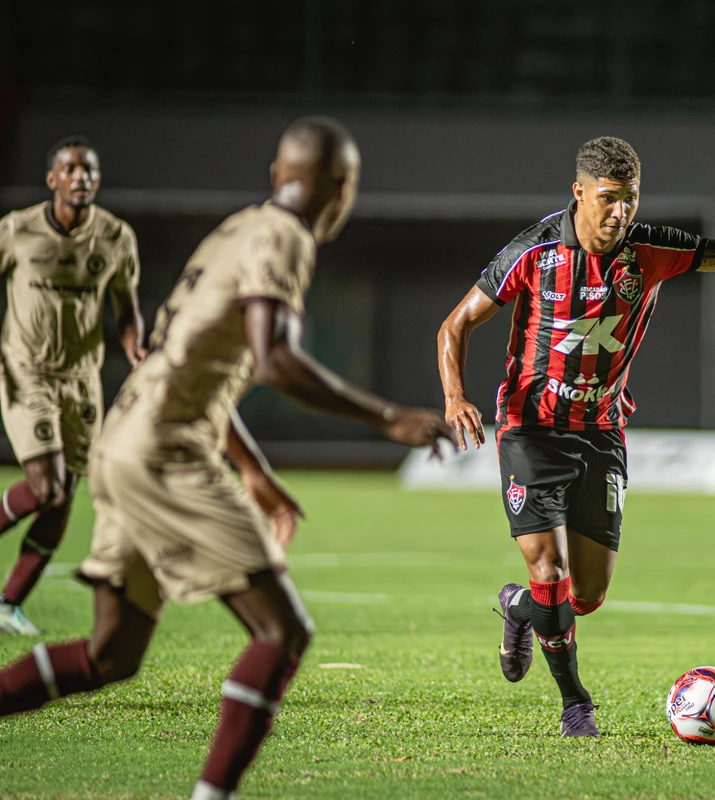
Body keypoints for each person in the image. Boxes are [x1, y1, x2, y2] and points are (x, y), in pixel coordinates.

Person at [0, 117, 454, 800]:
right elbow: (273, 358)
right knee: (282, 631)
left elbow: (198, 362)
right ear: (343, 188)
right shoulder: (284, 237)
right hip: (164, 450)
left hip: (123, 439)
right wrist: (388, 417)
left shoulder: (235, 230)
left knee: (109, 655)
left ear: (277, 175)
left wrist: (256, 473)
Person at [437, 136, 715, 737]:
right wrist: (455, 396)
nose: (620, 213)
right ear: (580, 193)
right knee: (548, 566)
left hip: (602, 433)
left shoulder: (650, 250)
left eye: (631, 201)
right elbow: (456, 323)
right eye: (609, 199)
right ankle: (576, 704)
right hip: (530, 429)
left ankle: (518, 607)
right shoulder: (534, 252)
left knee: (585, 596)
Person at [0, 136, 146, 634]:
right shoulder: (17, 230)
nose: (82, 178)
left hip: (82, 382)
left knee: (63, 498)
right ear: (53, 179)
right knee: (46, 486)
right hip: (26, 371)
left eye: (90, 171)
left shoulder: (115, 237)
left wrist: (134, 346)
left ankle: (8, 604)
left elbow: (126, 308)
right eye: (72, 169)